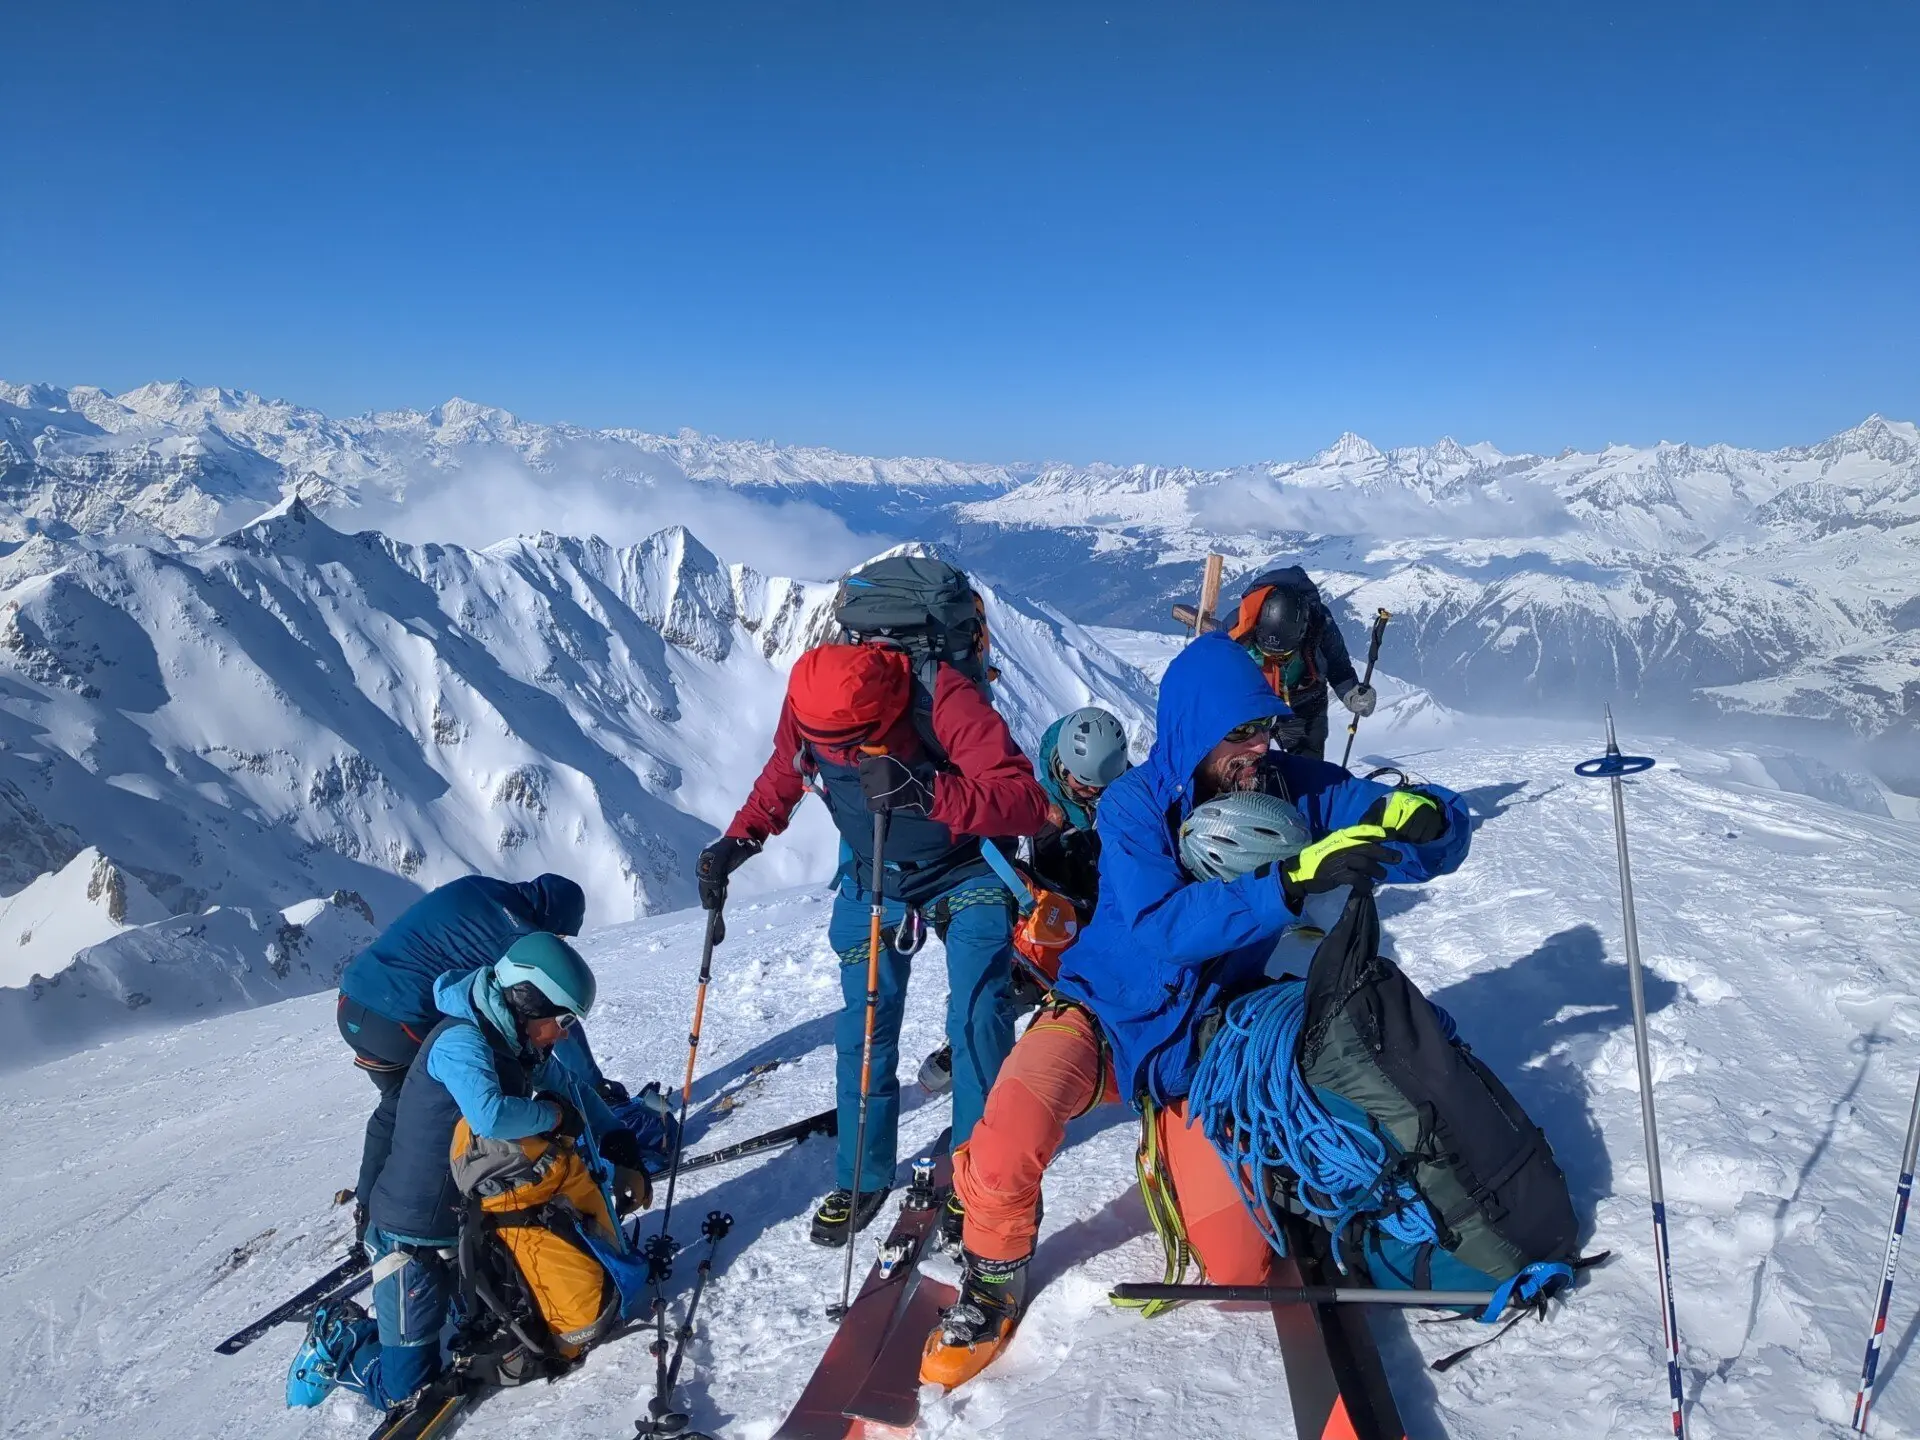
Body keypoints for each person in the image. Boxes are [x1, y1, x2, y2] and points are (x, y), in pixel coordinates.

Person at [918, 632, 1470, 1388]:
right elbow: (1162, 929)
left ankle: (1220, 1159)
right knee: (1010, 1133)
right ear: (1194, 732)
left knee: (1237, 1268)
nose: (1259, 746)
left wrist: (1429, 817)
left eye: (1265, 728)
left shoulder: (1291, 787)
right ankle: (990, 1284)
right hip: (1104, 1018)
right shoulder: (1134, 806)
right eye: (1239, 733)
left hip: (1209, 1044)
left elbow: (1401, 826)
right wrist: (1288, 883)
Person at [697, 590, 1050, 1248]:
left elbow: (1024, 800)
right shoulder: (809, 705)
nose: (842, 760)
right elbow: (785, 772)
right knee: (864, 1029)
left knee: (978, 1020)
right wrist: (738, 841)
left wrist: (928, 792)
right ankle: (863, 1175)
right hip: (873, 872)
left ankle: (978, 1173)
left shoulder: (943, 696)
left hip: (966, 868)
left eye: (855, 747)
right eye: (833, 750)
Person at [288, 933, 650, 1413]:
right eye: (562, 1021)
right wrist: (554, 1117)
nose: (564, 1034)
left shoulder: (516, 1041)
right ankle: (340, 1340)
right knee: (406, 1389)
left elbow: (572, 1089)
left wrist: (620, 1145)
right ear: (526, 1002)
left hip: (470, 1226)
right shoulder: (462, 1040)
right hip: (411, 1233)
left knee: (495, 1328)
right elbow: (491, 1115)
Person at [334, 873, 587, 1241]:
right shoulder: (520, 943)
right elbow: (548, 1020)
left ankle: (370, 1212)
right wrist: (585, 1089)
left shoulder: (485, 887)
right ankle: (429, 1218)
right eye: (560, 936)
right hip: (398, 1017)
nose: (557, 944)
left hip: (352, 1001)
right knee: (464, 1097)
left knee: (397, 1106)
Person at [1225, 564, 1375, 759]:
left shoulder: (1320, 624)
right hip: (1256, 700)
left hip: (1306, 699)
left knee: (1308, 765)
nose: (1277, 661)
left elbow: (1338, 666)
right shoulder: (1235, 630)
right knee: (1249, 759)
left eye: (1284, 656)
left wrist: (1351, 693)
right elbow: (1215, 676)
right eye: (1268, 654)